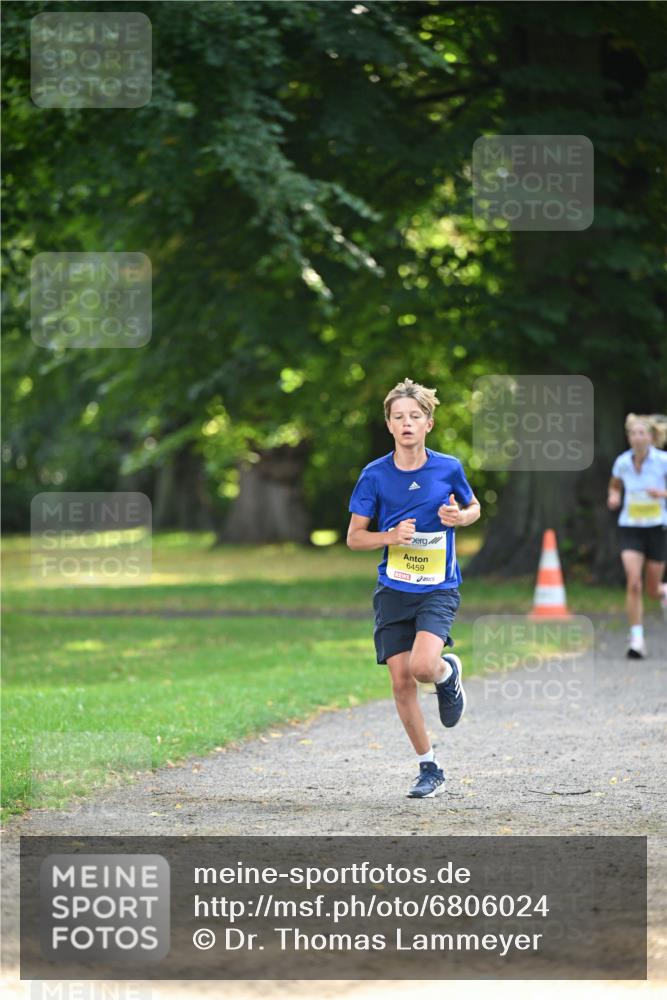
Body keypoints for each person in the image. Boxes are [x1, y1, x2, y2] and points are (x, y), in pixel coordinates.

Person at [346, 377, 480, 798]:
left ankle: (446, 671)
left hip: (438, 586)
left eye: (415, 417)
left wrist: (462, 518)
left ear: (429, 423)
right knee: (401, 682)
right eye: (399, 417)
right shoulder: (374, 475)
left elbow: (473, 507)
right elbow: (354, 538)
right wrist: (390, 537)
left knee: (423, 668)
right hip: (394, 589)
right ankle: (429, 766)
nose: (407, 424)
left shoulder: (448, 467)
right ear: (389, 425)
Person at [607, 413, 667, 658]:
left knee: (652, 588)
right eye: (633, 433)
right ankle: (636, 639)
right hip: (630, 527)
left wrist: (661, 494)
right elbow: (615, 484)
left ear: (651, 437)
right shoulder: (622, 462)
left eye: (642, 433)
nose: (637, 437)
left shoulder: (663, 461)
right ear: (629, 437)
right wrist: (614, 496)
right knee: (634, 582)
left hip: (657, 527)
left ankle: (663, 591)